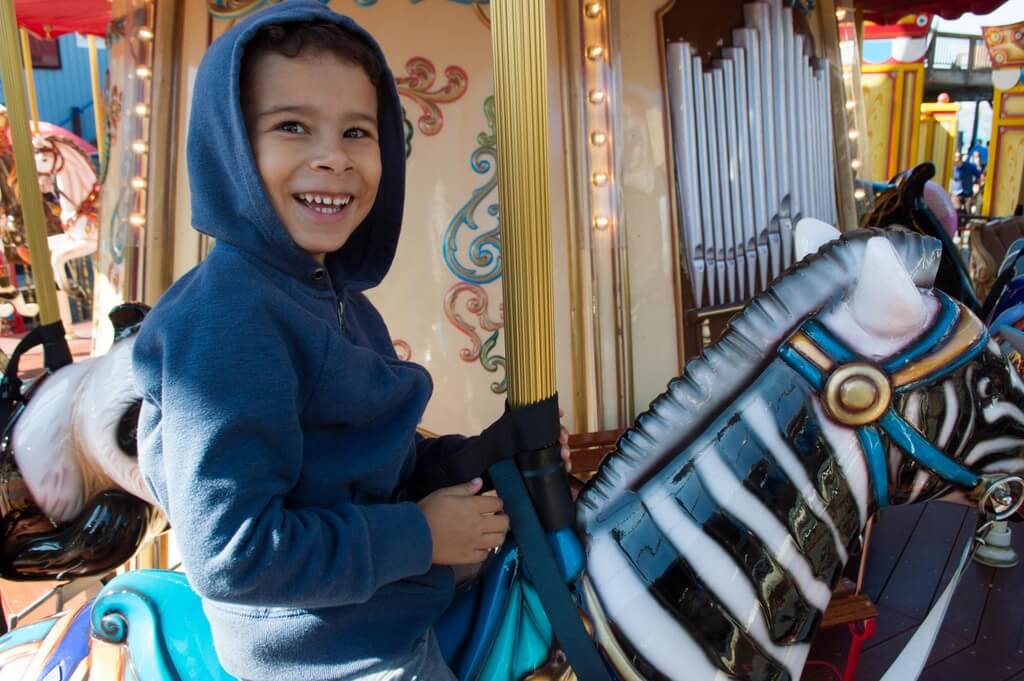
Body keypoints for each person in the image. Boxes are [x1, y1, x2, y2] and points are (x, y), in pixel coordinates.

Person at [132, 3, 569, 680]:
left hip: (377, 595)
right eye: (293, 127)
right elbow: (233, 552)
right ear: (232, 146)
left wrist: (490, 455)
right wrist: (420, 535)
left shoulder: (334, 299)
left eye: (357, 132)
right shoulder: (227, 319)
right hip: (325, 645)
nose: (332, 158)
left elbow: (364, 463)